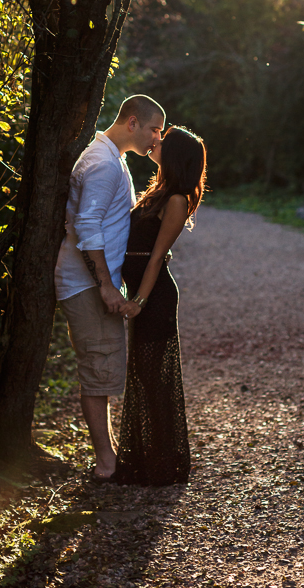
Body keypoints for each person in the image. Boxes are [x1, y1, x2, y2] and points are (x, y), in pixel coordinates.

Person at [54, 95, 165, 480]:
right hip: (86, 285)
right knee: (99, 369)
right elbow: (87, 225)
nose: (157, 137)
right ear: (132, 122)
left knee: (103, 369)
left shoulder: (112, 157)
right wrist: (104, 284)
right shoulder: (103, 163)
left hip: (94, 282)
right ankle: (106, 464)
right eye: (154, 129)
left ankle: (110, 456)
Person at [115, 125, 207, 486]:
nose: (157, 143)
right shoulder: (160, 191)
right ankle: (145, 457)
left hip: (154, 297)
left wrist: (138, 300)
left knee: (155, 380)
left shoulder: (177, 200)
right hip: (143, 292)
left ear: (175, 157)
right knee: (143, 376)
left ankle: (164, 464)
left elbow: (155, 258)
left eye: (164, 143)